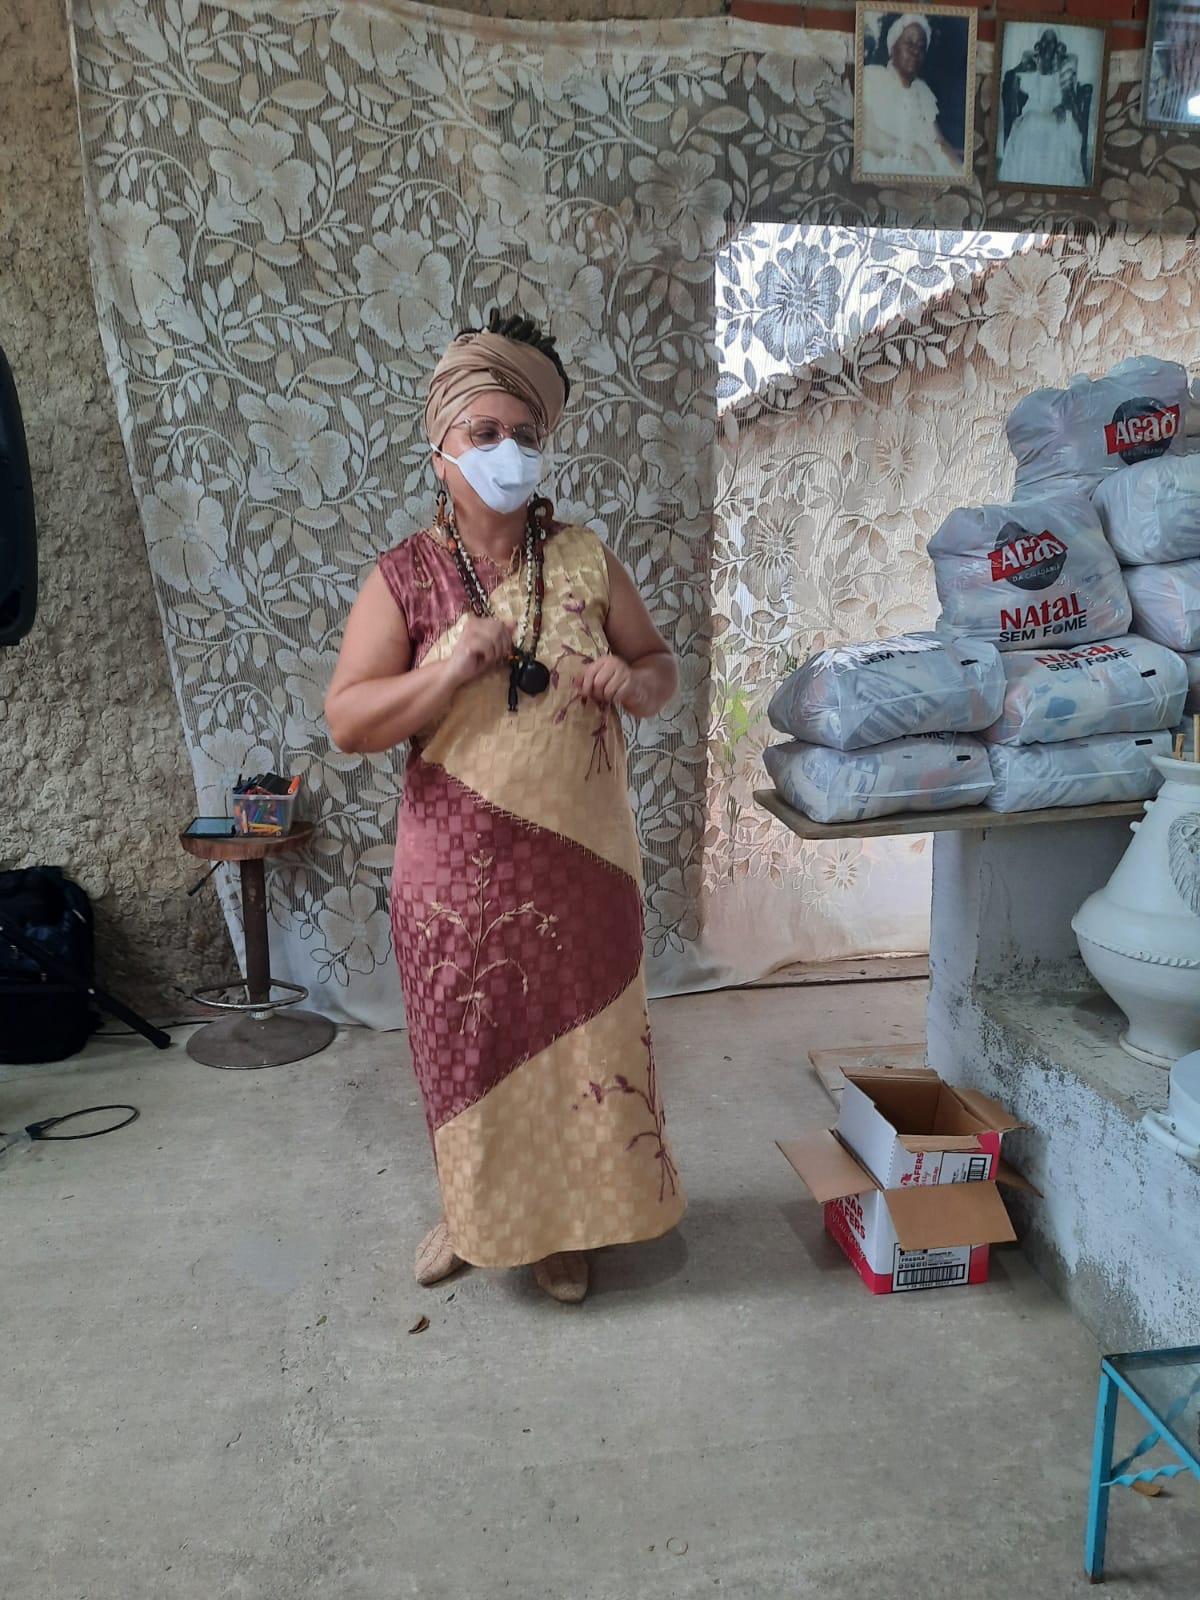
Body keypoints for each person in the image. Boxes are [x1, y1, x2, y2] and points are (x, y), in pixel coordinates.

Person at [325, 310, 687, 1305]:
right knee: (471, 1054)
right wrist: (444, 671)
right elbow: (349, 720)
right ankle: (475, 1215)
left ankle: (563, 1229)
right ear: (441, 447)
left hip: (585, 862)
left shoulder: (584, 558)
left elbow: (659, 666)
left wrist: (636, 683)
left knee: (582, 1050)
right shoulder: (403, 577)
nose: (507, 451)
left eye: (525, 434)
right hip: (455, 880)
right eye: (484, 432)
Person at [860, 13, 964, 178]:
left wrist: (963, 173)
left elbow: (940, 142)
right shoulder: (872, 76)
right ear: (893, 48)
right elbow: (863, 132)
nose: (916, 50)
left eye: (921, 47)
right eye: (909, 43)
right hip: (885, 167)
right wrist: (913, 152)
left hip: (930, 168)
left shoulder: (923, 91)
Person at [999, 28, 1092, 188]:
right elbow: (1010, 77)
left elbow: (1069, 97)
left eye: (1052, 42)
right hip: (1035, 111)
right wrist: (1022, 67)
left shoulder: (1064, 69)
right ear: (1039, 44)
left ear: (1057, 46)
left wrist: (1062, 106)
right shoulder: (1031, 67)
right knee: (1030, 125)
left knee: (1061, 130)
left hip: (1057, 112)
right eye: (1044, 41)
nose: (1048, 45)